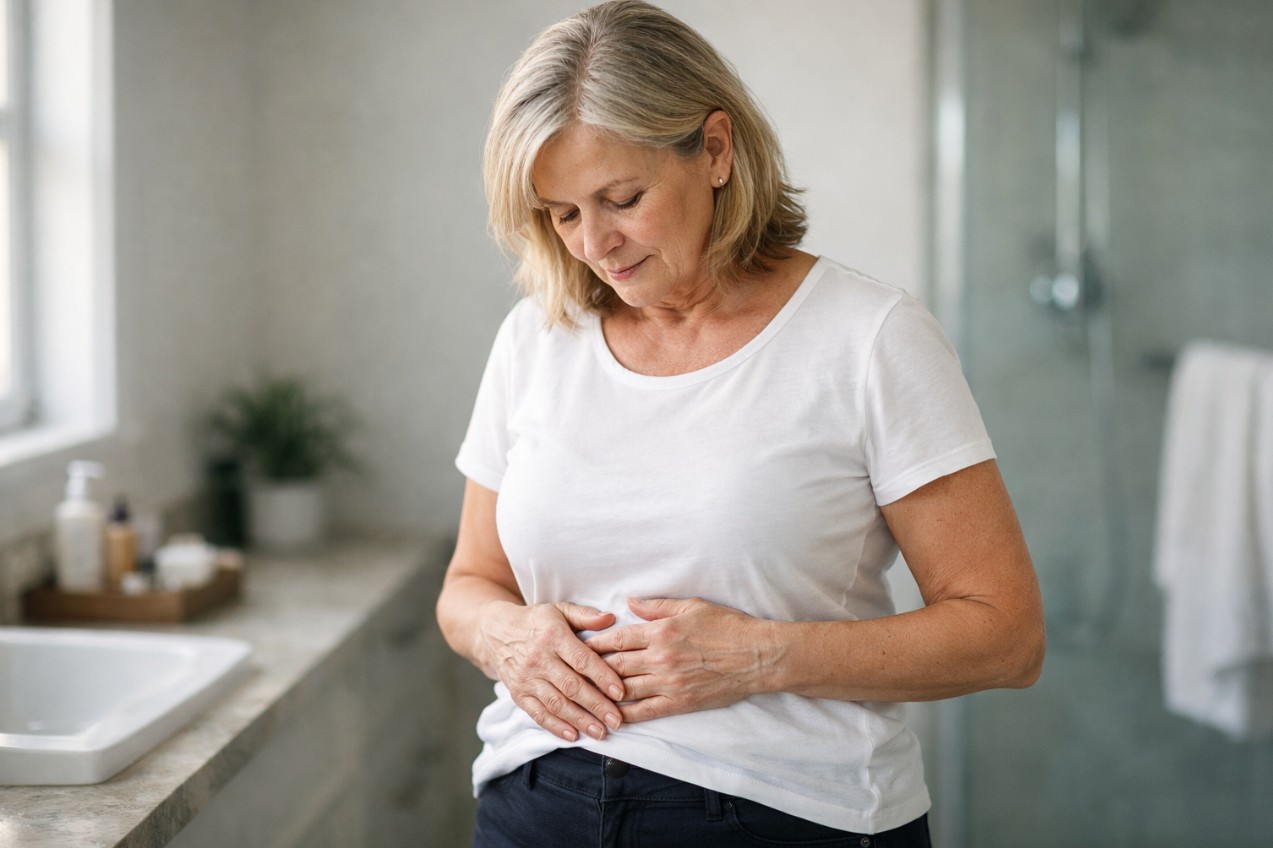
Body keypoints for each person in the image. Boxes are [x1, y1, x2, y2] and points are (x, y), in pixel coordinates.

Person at [436, 2, 1045, 845]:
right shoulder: (536, 340)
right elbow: (468, 585)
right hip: (533, 807)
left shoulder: (867, 338)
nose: (594, 245)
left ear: (715, 150)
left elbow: (1005, 635)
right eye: (562, 214)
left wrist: (765, 656)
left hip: (786, 815)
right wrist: (510, 639)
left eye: (622, 198)